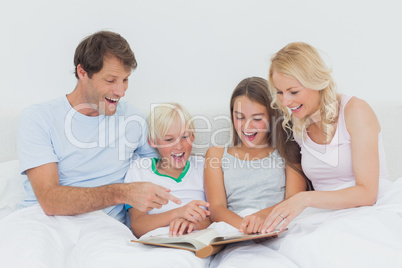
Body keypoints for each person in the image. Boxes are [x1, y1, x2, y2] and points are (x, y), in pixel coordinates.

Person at [0, 30, 187, 268]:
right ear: (82, 72)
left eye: (126, 79)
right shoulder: (39, 118)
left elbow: (158, 172)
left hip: (104, 228)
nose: (121, 91)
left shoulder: (133, 120)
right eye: (110, 80)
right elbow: (49, 200)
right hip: (43, 220)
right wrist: (121, 192)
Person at [259, 42, 402, 267]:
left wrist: (305, 199)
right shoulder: (297, 122)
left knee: (333, 247)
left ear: (316, 82)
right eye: (280, 92)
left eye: (293, 92)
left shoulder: (355, 111)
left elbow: (367, 194)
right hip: (323, 213)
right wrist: (260, 216)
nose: (285, 102)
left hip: (367, 208)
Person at [204, 77, 307, 268]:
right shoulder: (216, 154)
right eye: (239, 117)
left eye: (257, 119)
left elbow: (294, 200)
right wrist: (247, 226)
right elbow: (217, 208)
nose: (247, 126)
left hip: (278, 227)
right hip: (237, 233)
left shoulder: (287, 151)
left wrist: (262, 223)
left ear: (272, 117)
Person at [124, 103, 211, 238]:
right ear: (152, 141)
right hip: (156, 242)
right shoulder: (139, 169)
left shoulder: (203, 167)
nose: (178, 146)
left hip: (196, 240)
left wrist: (193, 224)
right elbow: (138, 226)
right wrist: (178, 213)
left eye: (185, 137)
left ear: (193, 137)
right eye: (169, 139)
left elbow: (217, 216)